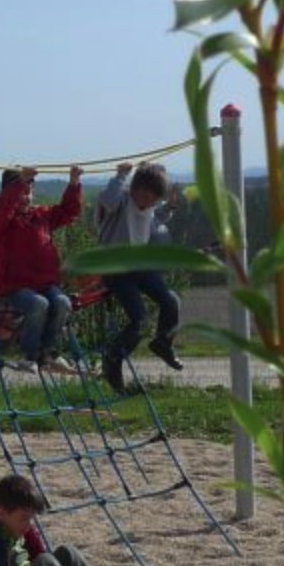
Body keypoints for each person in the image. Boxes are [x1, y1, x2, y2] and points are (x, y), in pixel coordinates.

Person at [95, 160, 185, 393]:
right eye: (145, 195)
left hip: (139, 267)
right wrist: (121, 174)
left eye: (155, 198)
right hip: (116, 270)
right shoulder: (122, 202)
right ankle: (113, 360)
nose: (149, 202)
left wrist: (170, 208)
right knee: (140, 320)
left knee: (171, 300)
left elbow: (157, 219)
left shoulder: (150, 208)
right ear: (134, 189)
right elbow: (107, 199)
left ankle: (163, 342)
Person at [0, 164, 84, 371]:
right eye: (21, 193)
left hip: (44, 283)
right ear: (10, 194)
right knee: (38, 304)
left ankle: (48, 353)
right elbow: (4, 206)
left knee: (62, 302)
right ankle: (29, 355)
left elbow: (69, 212)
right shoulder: (3, 221)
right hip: (16, 287)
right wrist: (20, 183)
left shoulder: (41, 215)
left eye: (29, 193)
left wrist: (74, 183)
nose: (26, 197)